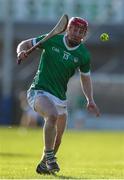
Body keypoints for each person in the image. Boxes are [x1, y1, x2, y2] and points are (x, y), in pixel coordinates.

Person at [16, 16, 100, 174]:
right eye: (74, 29)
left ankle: (43, 165)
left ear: (84, 34)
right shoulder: (52, 39)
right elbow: (25, 44)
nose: (77, 33)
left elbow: (86, 78)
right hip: (39, 91)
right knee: (52, 116)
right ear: (68, 29)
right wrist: (21, 52)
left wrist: (90, 99)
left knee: (58, 137)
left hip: (60, 97)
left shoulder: (83, 55)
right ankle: (50, 158)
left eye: (81, 31)